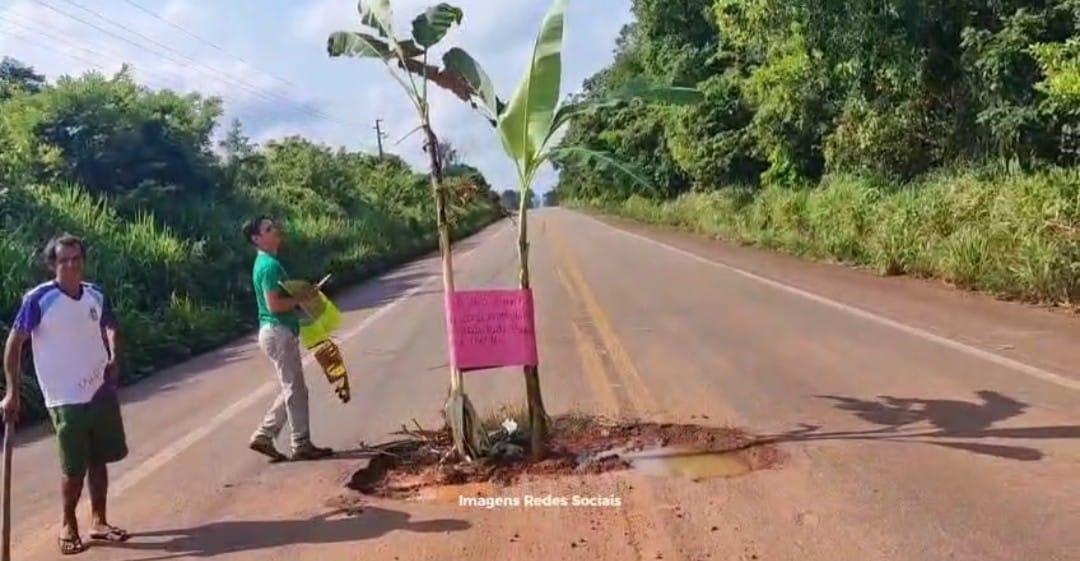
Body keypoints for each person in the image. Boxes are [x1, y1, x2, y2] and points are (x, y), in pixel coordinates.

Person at [1, 234, 129, 555]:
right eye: (63, 261)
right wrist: (13, 392)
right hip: (64, 397)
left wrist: (114, 355)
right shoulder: (39, 299)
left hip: (100, 389)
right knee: (74, 468)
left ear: (83, 261)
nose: (71, 265)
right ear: (52, 265)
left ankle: (99, 521)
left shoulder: (95, 294)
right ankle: (68, 524)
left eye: (76, 259)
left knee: (100, 459)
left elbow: (111, 325)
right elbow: (15, 344)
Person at [242, 216, 333, 462]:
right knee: (295, 389)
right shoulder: (269, 266)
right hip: (278, 331)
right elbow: (274, 305)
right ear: (257, 239)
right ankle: (299, 443)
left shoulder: (264, 263)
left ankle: (266, 435)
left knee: (293, 388)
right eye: (268, 229)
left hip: (275, 332)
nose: (275, 231)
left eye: (273, 227)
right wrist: (304, 298)